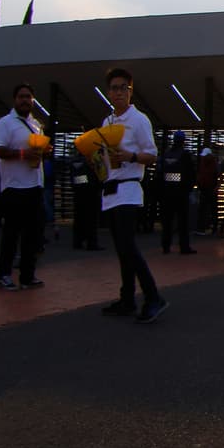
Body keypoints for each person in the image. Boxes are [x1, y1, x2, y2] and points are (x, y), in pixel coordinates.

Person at [97, 68, 167, 324]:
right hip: (111, 187)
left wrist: (131, 157)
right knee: (121, 248)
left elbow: (152, 154)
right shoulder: (107, 122)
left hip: (128, 188)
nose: (118, 92)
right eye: (113, 88)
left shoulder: (139, 120)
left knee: (128, 246)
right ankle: (127, 298)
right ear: (108, 92)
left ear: (130, 90)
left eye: (122, 88)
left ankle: (153, 296)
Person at [0, 83, 47, 291]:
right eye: (21, 97)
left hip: (35, 185)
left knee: (32, 235)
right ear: (15, 100)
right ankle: (4, 274)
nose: (25, 100)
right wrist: (23, 154)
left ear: (33, 100)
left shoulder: (36, 124)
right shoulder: (6, 123)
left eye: (28, 97)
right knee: (11, 234)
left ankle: (27, 275)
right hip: (14, 187)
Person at [156, 129, 197, 255]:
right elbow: (191, 173)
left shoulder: (166, 154)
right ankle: (184, 247)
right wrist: (189, 188)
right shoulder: (185, 155)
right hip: (181, 193)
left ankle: (166, 246)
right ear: (183, 141)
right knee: (182, 221)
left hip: (167, 192)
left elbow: (159, 174)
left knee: (167, 221)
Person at [68, 147, 104, 250]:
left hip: (78, 192)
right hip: (91, 191)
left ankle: (77, 241)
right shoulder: (91, 160)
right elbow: (96, 176)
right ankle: (91, 242)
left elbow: (75, 178)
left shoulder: (75, 161)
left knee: (79, 217)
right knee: (92, 218)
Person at [195, 146, 219, 234]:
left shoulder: (207, 164)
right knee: (208, 209)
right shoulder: (211, 163)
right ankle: (207, 227)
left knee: (207, 209)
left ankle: (207, 227)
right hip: (207, 188)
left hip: (210, 188)